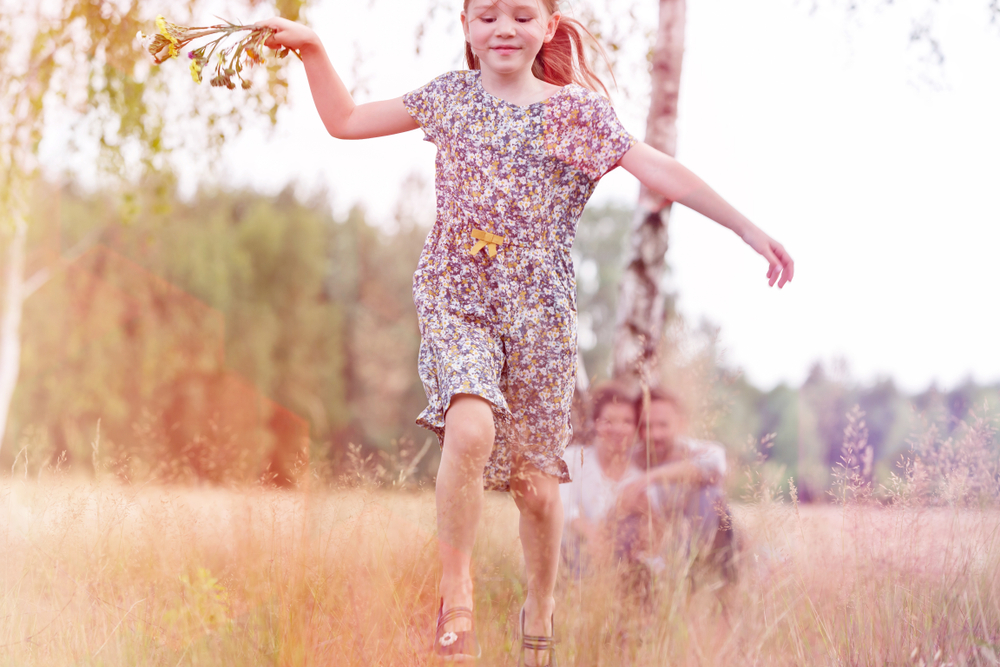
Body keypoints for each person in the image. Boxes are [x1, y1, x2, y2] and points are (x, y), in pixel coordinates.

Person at [259, 1, 792, 663]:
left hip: (538, 320)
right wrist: (312, 46)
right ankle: (457, 593)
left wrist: (747, 227)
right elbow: (344, 121)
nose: (502, 28)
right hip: (458, 299)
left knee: (536, 490)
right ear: (465, 27)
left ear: (548, 26)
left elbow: (661, 171)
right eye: (486, 16)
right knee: (471, 427)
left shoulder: (576, 114)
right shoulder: (450, 98)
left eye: (519, 14)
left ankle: (538, 606)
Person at [616, 389, 736, 581]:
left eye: (663, 425)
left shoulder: (699, 450)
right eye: (647, 426)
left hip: (701, 544)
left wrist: (651, 477)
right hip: (654, 546)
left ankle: (702, 578)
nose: (655, 434)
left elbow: (715, 466)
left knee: (711, 496)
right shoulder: (629, 461)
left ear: (681, 423)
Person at [559, 382, 638, 575]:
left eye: (627, 422)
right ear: (595, 423)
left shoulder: (640, 471)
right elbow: (563, 508)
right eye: (608, 421)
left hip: (622, 560)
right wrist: (593, 536)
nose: (618, 429)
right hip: (574, 551)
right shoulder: (572, 458)